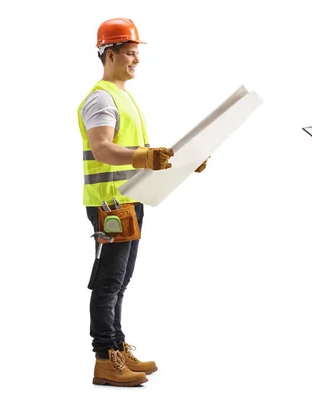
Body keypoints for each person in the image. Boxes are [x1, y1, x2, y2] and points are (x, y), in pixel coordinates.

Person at [77, 17, 209, 387]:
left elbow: (136, 152)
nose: (137, 60)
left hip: (128, 202)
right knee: (108, 283)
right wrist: (144, 158)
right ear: (110, 53)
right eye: (131, 53)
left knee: (120, 281)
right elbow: (103, 149)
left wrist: (179, 163)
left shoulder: (122, 96)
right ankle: (105, 358)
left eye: (137, 54)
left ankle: (117, 346)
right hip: (109, 206)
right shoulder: (101, 98)